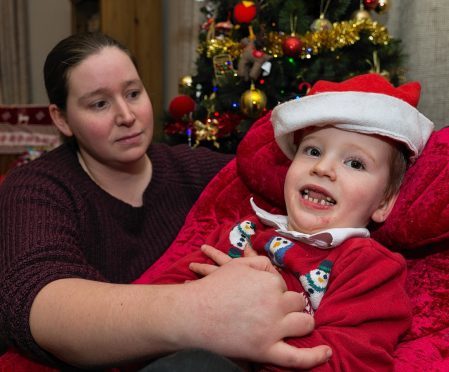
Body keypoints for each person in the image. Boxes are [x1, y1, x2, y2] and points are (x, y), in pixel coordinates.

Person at [0, 32, 331, 370]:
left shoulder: (202, 173)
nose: (126, 115)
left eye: (133, 93)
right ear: (61, 119)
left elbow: (310, 188)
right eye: (99, 103)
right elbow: (38, 304)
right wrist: (203, 310)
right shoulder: (37, 187)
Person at [138, 73, 435, 371]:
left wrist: (250, 328)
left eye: (355, 163)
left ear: (383, 202)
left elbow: (347, 361)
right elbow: (157, 303)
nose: (323, 168)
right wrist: (202, 304)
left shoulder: (370, 267)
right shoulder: (243, 232)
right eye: (313, 150)